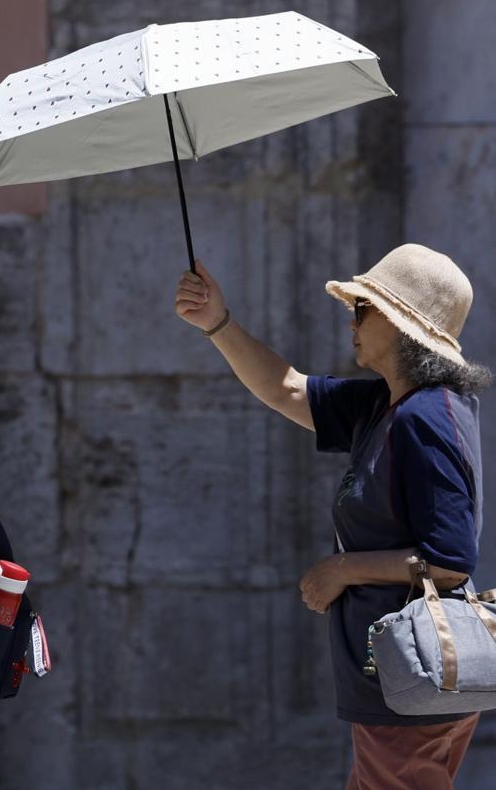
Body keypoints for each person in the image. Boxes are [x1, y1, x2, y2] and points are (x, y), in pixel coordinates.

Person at [174, 244, 491, 788]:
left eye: (363, 308)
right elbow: (286, 388)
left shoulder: (427, 416)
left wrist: (341, 570)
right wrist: (217, 323)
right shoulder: (388, 404)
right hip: (400, 676)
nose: (353, 319)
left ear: (401, 324)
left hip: (409, 675)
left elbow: (450, 561)